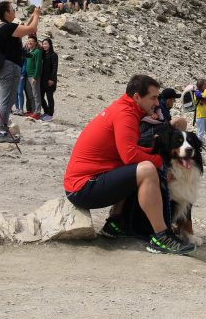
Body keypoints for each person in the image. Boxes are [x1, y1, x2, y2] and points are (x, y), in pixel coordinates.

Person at [63, 73, 194, 255]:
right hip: (83, 187)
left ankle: (116, 224)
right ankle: (160, 237)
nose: (157, 103)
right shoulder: (125, 114)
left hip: (87, 181)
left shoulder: (127, 109)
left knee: (138, 167)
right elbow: (130, 156)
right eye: (153, 98)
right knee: (147, 170)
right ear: (137, 97)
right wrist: (161, 164)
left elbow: (130, 152)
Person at [0, 0, 40, 143]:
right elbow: (31, 29)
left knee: (7, 100)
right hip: (10, 68)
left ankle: (3, 130)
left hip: (7, 67)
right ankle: (2, 132)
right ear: (6, 13)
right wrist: (37, 14)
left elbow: (25, 27)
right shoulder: (7, 28)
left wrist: (32, 17)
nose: (14, 11)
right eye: (12, 9)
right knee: (6, 101)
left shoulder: (3, 28)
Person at [24, 36, 43, 119]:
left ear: (35, 43)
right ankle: (33, 111)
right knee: (30, 94)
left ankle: (38, 113)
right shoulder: (29, 51)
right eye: (28, 41)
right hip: (28, 76)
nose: (29, 42)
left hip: (34, 76)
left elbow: (38, 65)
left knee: (36, 94)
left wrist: (35, 77)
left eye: (31, 41)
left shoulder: (37, 52)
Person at [40, 37, 58, 121]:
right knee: (40, 96)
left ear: (50, 45)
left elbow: (55, 67)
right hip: (42, 80)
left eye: (46, 44)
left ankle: (50, 114)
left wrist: (52, 79)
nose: (44, 45)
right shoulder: (43, 54)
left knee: (49, 97)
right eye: (43, 44)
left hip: (50, 80)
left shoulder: (54, 55)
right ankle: (46, 111)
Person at [193, 77, 206, 152]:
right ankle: (197, 147)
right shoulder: (197, 92)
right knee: (200, 133)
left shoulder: (204, 93)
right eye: (205, 85)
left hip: (205, 116)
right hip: (199, 116)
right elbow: (203, 96)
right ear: (201, 85)